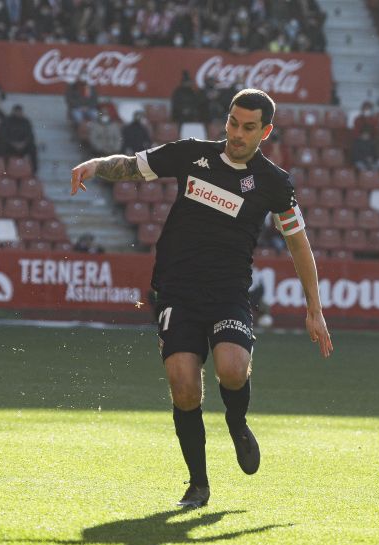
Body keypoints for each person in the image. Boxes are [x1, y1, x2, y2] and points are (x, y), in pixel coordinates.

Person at [70, 89, 333, 508]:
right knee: (184, 386)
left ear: (265, 132)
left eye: (249, 128)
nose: (237, 133)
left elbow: (299, 244)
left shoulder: (274, 184)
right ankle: (198, 485)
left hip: (228, 292)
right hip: (176, 290)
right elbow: (134, 167)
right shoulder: (192, 155)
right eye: (233, 122)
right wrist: (96, 165)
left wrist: (314, 309)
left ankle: (237, 422)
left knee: (231, 369)